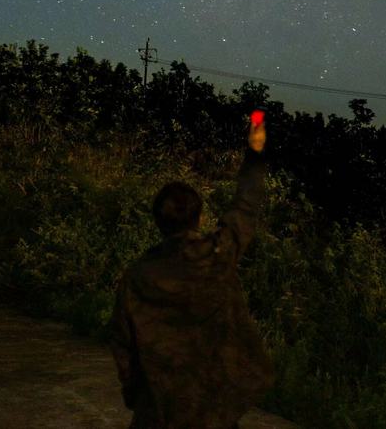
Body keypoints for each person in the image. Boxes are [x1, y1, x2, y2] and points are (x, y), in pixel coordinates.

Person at [108, 116, 275, 429]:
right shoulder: (218, 255)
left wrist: (138, 396)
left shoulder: (138, 277)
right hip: (215, 410)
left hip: (159, 412)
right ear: (198, 217)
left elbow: (122, 344)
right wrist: (255, 152)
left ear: (158, 221)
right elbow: (246, 205)